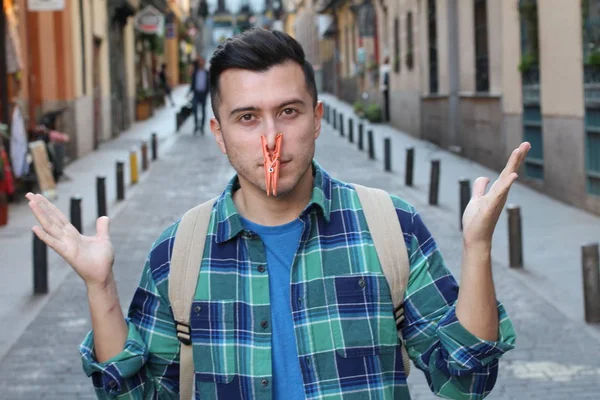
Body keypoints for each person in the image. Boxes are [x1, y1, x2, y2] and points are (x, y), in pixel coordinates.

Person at [25, 28, 528, 399]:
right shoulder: (177, 253)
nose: (272, 141)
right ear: (218, 133)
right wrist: (100, 287)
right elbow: (134, 395)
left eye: (289, 111)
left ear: (318, 118)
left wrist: (477, 249)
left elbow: (466, 380)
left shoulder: (390, 227)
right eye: (247, 118)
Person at [189, 56, 210, 134]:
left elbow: (209, 83)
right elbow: (192, 83)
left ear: (204, 63)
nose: (201, 63)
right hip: (196, 93)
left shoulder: (207, 72)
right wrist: (189, 92)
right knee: (195, 109)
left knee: (203, 111)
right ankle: (196, 126)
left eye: (202, 61)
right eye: (199, 62)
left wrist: (208, 92)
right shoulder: (195, 72)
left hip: (203, 94)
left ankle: (202, 127)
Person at [380, 56, 391, 122]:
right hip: (386, 86)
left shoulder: (382, 68)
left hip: (383, 87)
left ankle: (386, 117)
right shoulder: (387, 67)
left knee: (386, 101)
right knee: (387, 101)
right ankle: (387, 117)